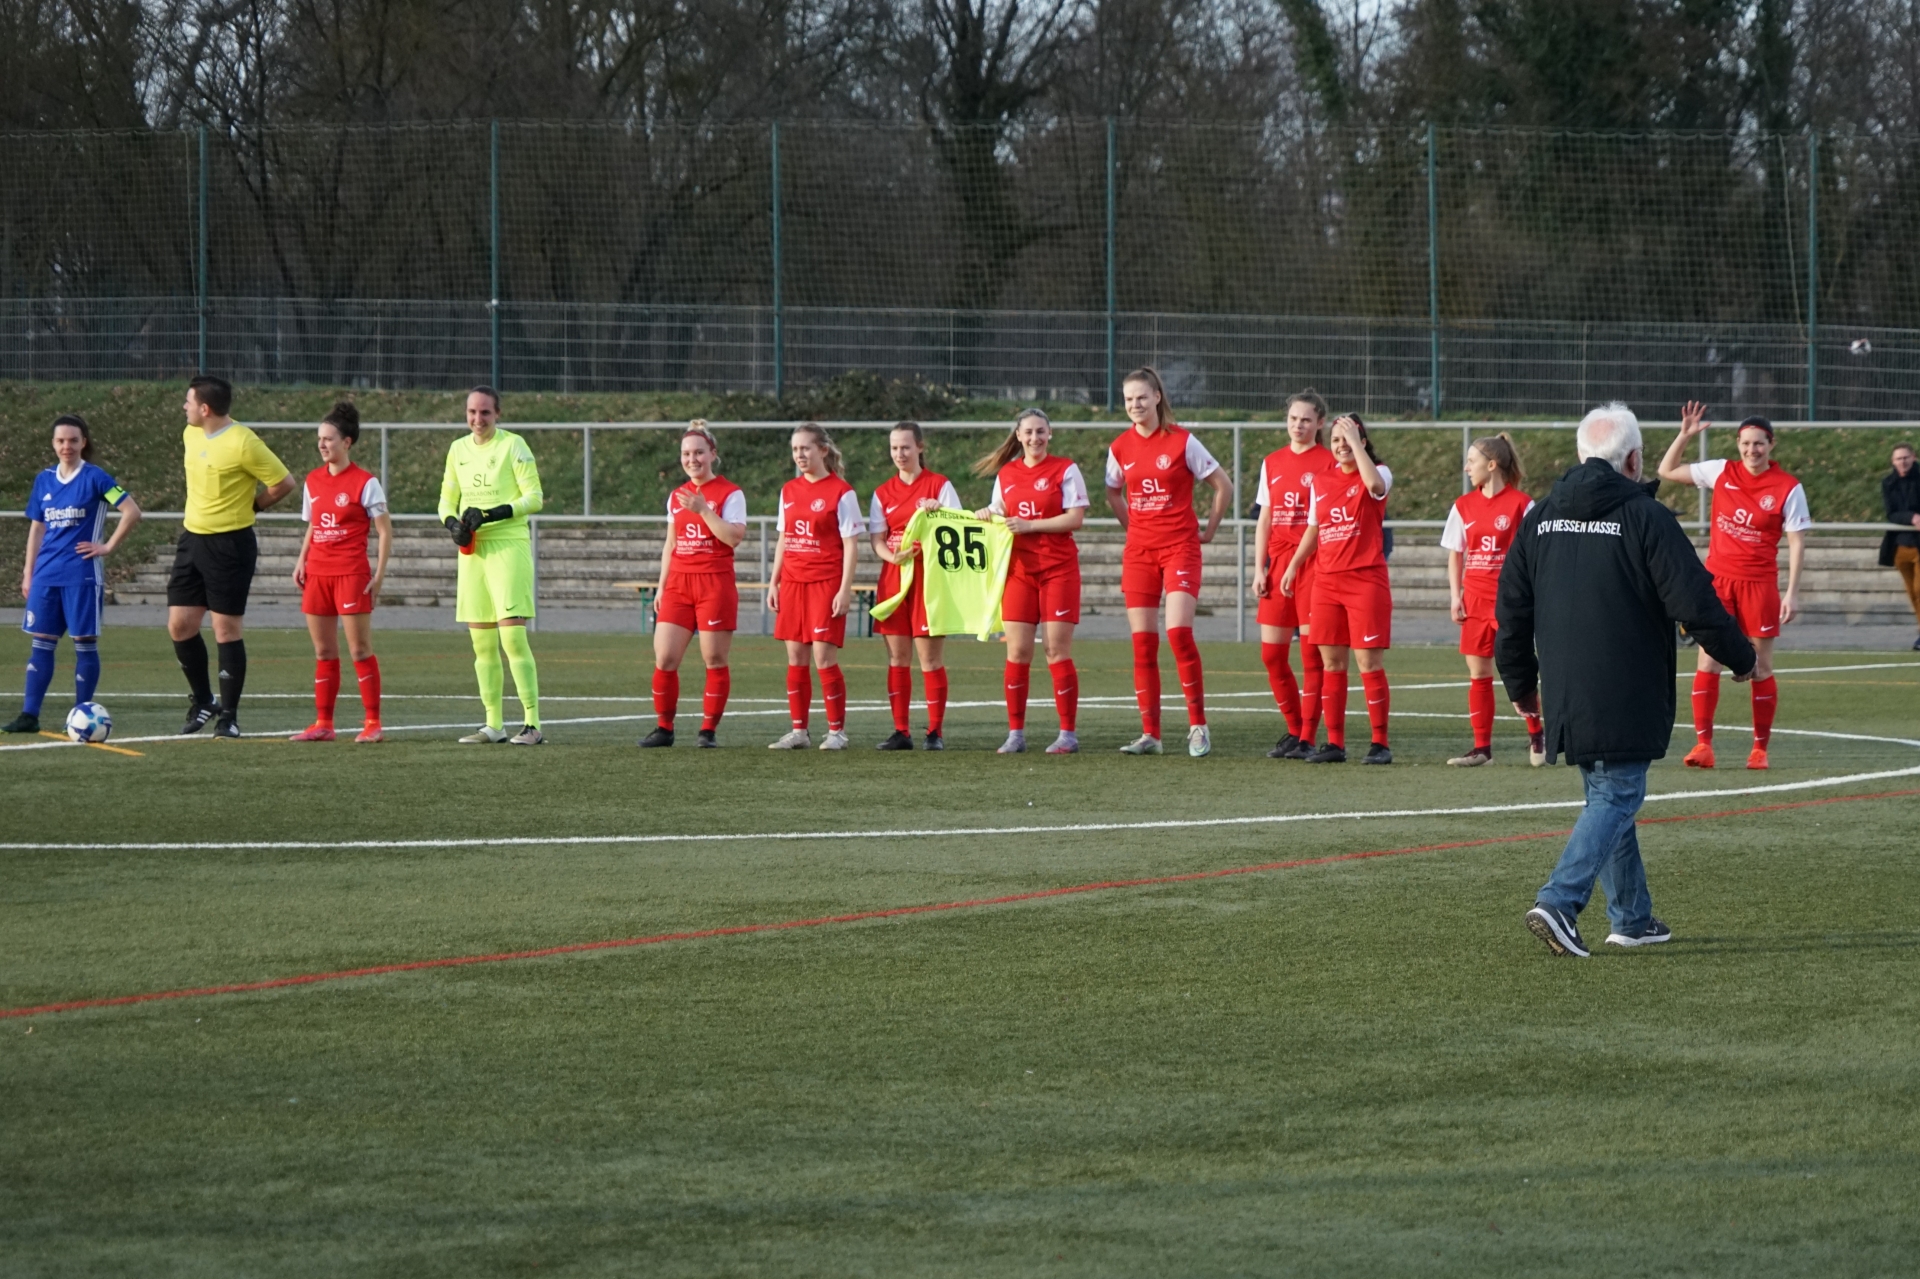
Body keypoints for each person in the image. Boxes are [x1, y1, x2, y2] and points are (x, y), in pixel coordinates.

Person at [1498, 402, 1755, 957]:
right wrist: (1742, 657)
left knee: (1608, 796)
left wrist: (1520, 684)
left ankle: (1632, 918)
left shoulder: (1540, 517)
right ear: (1635, 459)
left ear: (1581, 455)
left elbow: (1511, 608)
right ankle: (1559, 901)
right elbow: (1695, 601)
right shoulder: (1646, 518)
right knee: (1617, 794)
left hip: (1566, 690)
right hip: (1627, 686)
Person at [1657, 404, 1809, 771]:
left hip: (1759, 584)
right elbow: (1666, 470)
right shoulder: (1722, 471)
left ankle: (1759, 750)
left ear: (1771, 445)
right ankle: (1703, 746)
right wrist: (1685, 435)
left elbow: (1796, 542)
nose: (1752, 450)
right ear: (1738, 444)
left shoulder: (1788, 488)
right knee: (1708, 659)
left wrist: (1792, 592)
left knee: (1761, 666)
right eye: (1746, 443)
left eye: (1759, 443)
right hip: (1719, 582)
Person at [1104, 367, 1232, 757]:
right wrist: (1134, 529)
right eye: (1128, 399)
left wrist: (1209, 530)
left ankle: (1198, 726)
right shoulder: (1119, 447)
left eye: (1142, 397)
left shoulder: (1183, 441)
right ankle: (1151, 735)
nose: (1135, 405)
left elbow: (1222, 485)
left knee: (1178, 634)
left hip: (1180, 548)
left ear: (1157, 397)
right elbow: (1113, 492)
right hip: (1139, 553)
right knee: (1143, 643)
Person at [168, 375, 297, 738]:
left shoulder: (244, 442)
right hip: (192, 540)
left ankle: (229, 716)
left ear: (205, 408)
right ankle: (203, 700)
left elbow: (284, 483)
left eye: (189, 402)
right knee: (180, 625)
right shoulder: (191, 433)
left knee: (225, 629)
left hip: (230, 545)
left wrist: (254, 505)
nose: (184, 407)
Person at [5, 415, 142, 735]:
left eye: (73, 440)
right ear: (53, 444)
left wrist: (107, 546)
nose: (66, 446)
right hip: (45, 575)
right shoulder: (44, 480)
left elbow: (132, 511)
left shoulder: (96, 478)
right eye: (60, 440)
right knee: (41, 643)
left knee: (84, 642)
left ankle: (82, 713)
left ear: (83, 443)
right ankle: (29, 715)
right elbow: (37, 528)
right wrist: (28, 572)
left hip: (81, 574)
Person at [974, 408, 1089, 755]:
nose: (1035, 438)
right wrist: (987, 513)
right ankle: (1015, 734)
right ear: (1019, 436)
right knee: (1017, 651)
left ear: (1050, 434)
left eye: (1041, 431)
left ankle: (1067, 734)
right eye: (1029, 432)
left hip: (1058, 570)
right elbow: (999, 511)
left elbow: (1075, 518)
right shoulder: (1007, 473)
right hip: (1019, 572)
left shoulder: (1065, 469)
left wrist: (1031, 526)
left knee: (1055, 651)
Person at [1280, 415, 1394, 765]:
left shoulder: (1379, 471)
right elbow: (1315, 528)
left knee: (1368, 662)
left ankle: (1380, 744)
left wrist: (1355, 443)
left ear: (1362, 440)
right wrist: (1293, 565)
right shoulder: (1322, 481)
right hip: (1327, 582)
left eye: (1348, 438)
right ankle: (1334, 744)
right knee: (1332, 663)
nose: (1341, 445)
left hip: (1365, 580)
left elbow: (1375, 486)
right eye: (1336, 440)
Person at [439, 386, 545, 745]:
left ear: (497, 414)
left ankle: (532, 724)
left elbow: (534, 498)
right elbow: (445, 501)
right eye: (472, 412)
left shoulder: (513, 445)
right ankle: (494, 725)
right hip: (474, 553)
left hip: (508, 546)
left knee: (512, 637)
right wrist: (452, 525)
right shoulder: (458, 449)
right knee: (482, 644)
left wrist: (492, 513)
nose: (478, 419)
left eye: (485, 412)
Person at [288, 403, 390, 743]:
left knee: (359, 650)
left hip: (350, 574)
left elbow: (385, 532)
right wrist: (301, 560)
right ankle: (323, 724)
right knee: (323, 652)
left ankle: (373, 723)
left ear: (347, 442)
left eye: (328, 439)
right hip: (318, 574)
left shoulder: (365, 482)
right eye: (320, 438)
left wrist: (378, 576)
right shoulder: (313, 480)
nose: (322, 444)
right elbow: (314, 524)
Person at [1440, 433, 1544, 767]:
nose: (1467, 467)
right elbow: (1456, 553)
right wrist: (1455, 596)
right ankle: (1482, 749)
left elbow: (1535, 554)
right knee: (1478, 672)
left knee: (1518, 668)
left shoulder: (1522, 504)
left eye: (1471, 461)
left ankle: (1537, 736)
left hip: (1509, 601)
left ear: (1492, 464)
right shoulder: (1463, 505)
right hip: (1474, 599)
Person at [641, 422, 747, 748]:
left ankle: (707, 731)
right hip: (679, 584)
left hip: (714, 583)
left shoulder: (730, 493)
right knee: (664, 657)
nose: (692, 459)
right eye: (686, 454)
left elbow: (733, 537)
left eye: (699, 452)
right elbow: (671, 544)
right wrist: (662, 586)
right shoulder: (677, 496)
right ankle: (664, 728)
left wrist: (703, 511)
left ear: (712, 454)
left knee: (714, 658)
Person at [1252, 389, 1338, 759]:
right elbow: (1265, 518)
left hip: (1314, 565)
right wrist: (1259, 567)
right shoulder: (1272, 462)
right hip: (1278, 564)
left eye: (1305, 420)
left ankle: (1307, 736)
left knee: (1310, 657)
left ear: (1320, 423)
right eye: (1292, 419)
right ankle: (1293, 727)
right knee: (1271, 655)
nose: (1298, 425)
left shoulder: (1329, 462)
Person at [768, 423, 863, 750]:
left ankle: (837, 732)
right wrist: (774, 582)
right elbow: (784, 539)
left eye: (805, 448)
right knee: (796, 657)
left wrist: (844, 589)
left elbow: (851, 545)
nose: (800, 455)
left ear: (823, 450)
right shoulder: (789, 490)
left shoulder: (841, 492)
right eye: (795, 450)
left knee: (823, 657)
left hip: (825, 583)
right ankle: (799, 732)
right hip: (793, 584)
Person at [869, 422, 963, 750]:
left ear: (920, 447)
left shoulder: (939, 485)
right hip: (894, 580)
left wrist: (941, 512)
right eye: (894, 448)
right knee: (897, 658)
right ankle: (901, 732)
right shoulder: (882, 492)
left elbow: (959, 528)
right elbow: (877, 539)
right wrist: (892, 557)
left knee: (929, 659)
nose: (900, 454)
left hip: (929, 581)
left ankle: (935, 732)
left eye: (906, 447)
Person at [1880, 442, 1920, 650]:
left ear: (1914, 457)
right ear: (1893, 462)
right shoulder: (1889, 483)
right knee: (1912, 592)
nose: (1902, 462)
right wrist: (1912, 517)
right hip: (1901, 545)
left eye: (1906, 458)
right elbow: (1892, 513)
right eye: (1898, 459)